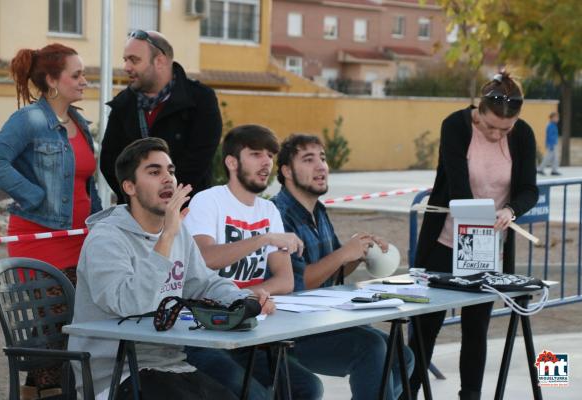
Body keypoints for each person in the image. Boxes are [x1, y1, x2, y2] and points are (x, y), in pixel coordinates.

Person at [68, 137, 274, 399]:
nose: (168, 179)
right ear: (129, 186)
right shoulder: (106, 239)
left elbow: (203, 283)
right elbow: (130, 304)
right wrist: (166, 239)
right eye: (154, 172)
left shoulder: (176, 233)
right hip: (116, 373)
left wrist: (243, 299)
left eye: (171, 171)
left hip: (171, 364)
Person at [0, 43, 102, 398]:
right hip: (41, 245)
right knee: (51, 345)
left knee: (63, 343)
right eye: (77, 74)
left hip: (79, 241)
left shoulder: (79, 121)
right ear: (52, 80)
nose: (85, 81)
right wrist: (34, 195)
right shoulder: (29, 119)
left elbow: (85, 182)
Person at [410, 72, 539, 400]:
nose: (497, 135)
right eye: (490, 126)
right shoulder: (455, 125)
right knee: (426, 326)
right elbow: (458, 186)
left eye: (505, 129)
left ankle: (471, 395)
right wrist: (476, 217)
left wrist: (510, 210)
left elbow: (528, 190)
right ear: (478, 111)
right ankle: (405, 391)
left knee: (476, 327)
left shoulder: (522, 135)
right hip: (445, 237)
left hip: (490, 245)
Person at [183, 125, 323, 399]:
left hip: (249, 330)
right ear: (232, 162)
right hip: (205, 333)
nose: (266, 162)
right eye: (256, 154)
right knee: (257, 395)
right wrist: (261, 240)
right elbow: (206, 258)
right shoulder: (208, 200)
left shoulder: (268, 210)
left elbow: (285, 281)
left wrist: (245, 297)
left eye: (270, 155)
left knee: (308, 387)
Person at [272, 134, 414, 400]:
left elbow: (333, 270)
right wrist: (342, 254)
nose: (321, 166)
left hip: (323, 318)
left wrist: (359, 254)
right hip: (291, 330)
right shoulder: (277, 214)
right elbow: (295, 283)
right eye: (309, 159)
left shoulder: (319, 211)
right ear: (286, 171)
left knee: (402, 357)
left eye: (323, 159)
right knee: (370, 348)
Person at [100, 30, 222, 203]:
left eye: (134, 60)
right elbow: (110, 163)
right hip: (136, 215)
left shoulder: (200, 100)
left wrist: (165, 200)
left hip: (187, 214)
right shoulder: (123, 105)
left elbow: (198, 160)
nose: (126, 67)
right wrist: (137, 201)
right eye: (125, 60)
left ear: (160, 61)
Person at [537, 111, 561, 176]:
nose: (557, 119)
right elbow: (550, 136)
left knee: (555, 158)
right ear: (551, 118)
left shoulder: (554, 125)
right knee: (548, 158)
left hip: (554, 144)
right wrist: (551, 145)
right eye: (556, 117)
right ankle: (540, 169)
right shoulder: (550, 125)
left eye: (558, 117)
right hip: (551, 145)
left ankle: (554, 170)